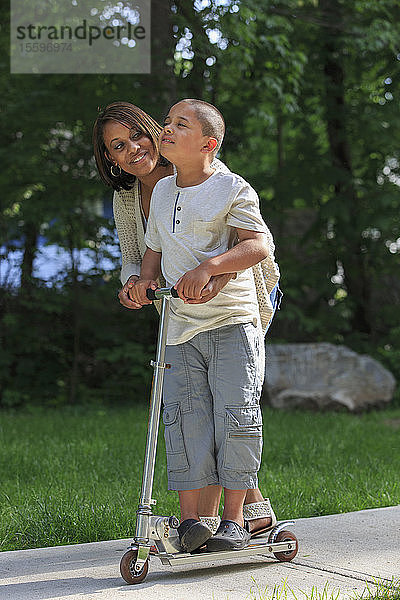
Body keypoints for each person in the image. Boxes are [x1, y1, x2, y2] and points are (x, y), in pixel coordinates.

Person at [92, 101, 279, 546]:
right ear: (111, 160)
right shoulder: (135, 198)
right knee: (194, 414)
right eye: (118, 146)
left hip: (237, 300)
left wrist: (214, 274)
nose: (133, 148)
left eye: (137, 134)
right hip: (180, 314)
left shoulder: (210, 172)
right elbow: (138, 257)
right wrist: (135, 284)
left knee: (229, 410)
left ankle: (224, 521)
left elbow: (247, 242)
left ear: (153, 131)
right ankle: (234, 517)